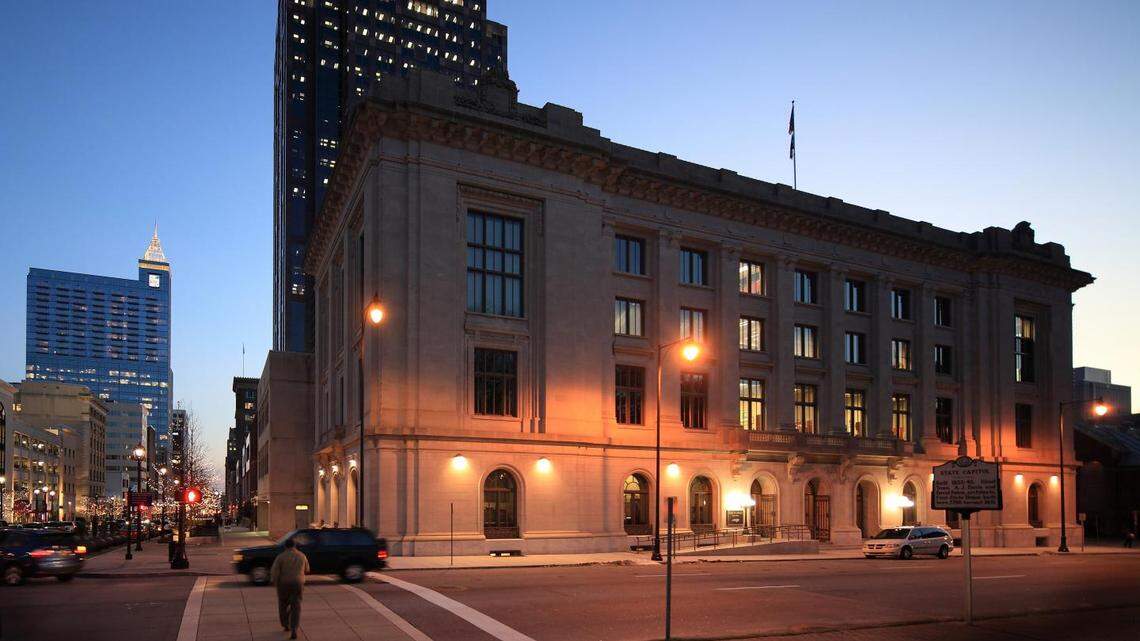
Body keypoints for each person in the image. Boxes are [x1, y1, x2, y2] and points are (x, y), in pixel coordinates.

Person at [270, 537, 310, 639]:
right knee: (296, 606)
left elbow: (275, 572)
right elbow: (307, 569)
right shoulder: (302, 556)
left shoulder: (280, 557)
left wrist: (275, 582)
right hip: (298, 583)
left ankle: (285, 624)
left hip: (284, 583)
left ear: (285, 546)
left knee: (283, 604)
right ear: (294, 545)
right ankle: (294, 629)